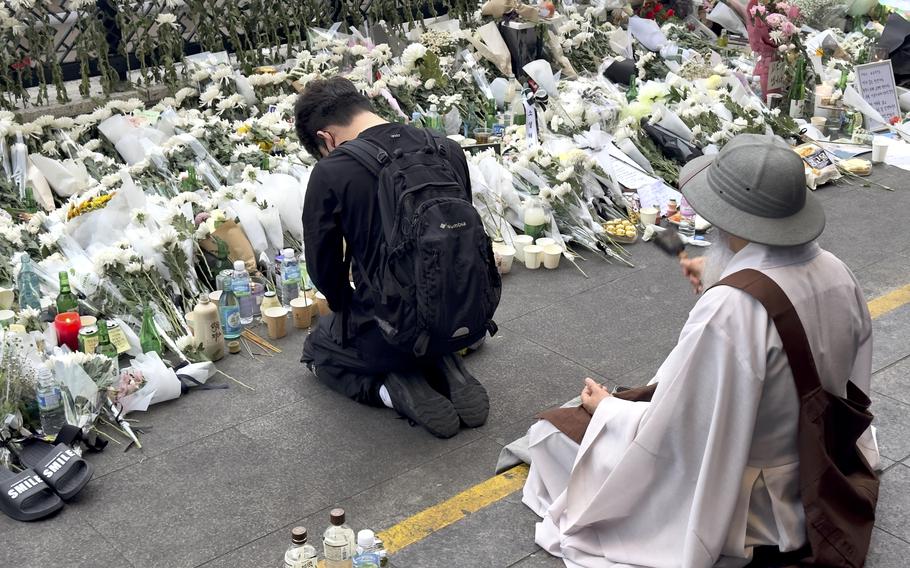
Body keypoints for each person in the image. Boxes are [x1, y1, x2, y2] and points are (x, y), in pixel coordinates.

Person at [522, 134, 881, 567]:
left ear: (730, 220)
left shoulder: (732, 307)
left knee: (549, 438)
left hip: (754, 501)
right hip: (816, 461)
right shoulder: (838, 271)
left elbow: (680, 427)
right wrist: (724, 283)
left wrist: (609, 412)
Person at [294, 77, 494, 439]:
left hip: (390, 326)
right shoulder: (445, 148)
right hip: (463, 315)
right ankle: (444, 363)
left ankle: (391, 391)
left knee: (318, 348)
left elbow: (325, 273)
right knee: (418, 311)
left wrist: (346, 311)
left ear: (325, 138)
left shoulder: (333, 170)